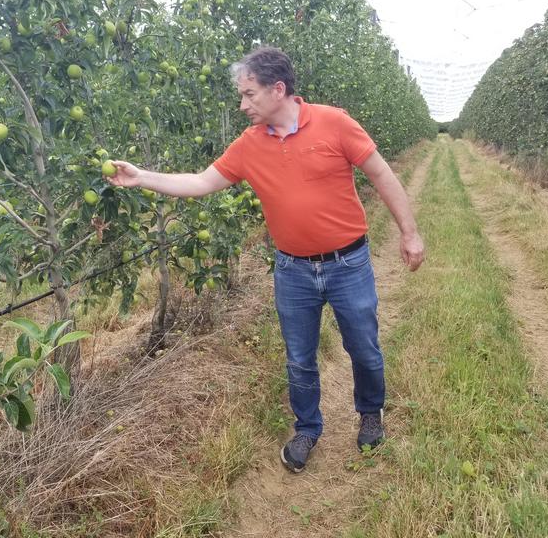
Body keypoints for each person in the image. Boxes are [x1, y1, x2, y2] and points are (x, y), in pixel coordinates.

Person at [106, 46, 425, 473]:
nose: (243, 105)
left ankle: (370, 411)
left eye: (249, 94)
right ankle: (307, 428)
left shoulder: (334, 123)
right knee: (299, 356)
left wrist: (409, 232)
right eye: (241, 95)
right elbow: (202, 182)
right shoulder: (249, 145)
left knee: (363, 348)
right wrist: (141, 176)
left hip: (347, 263)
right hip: (292, 268)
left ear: (278, 90)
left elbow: (381, 174)